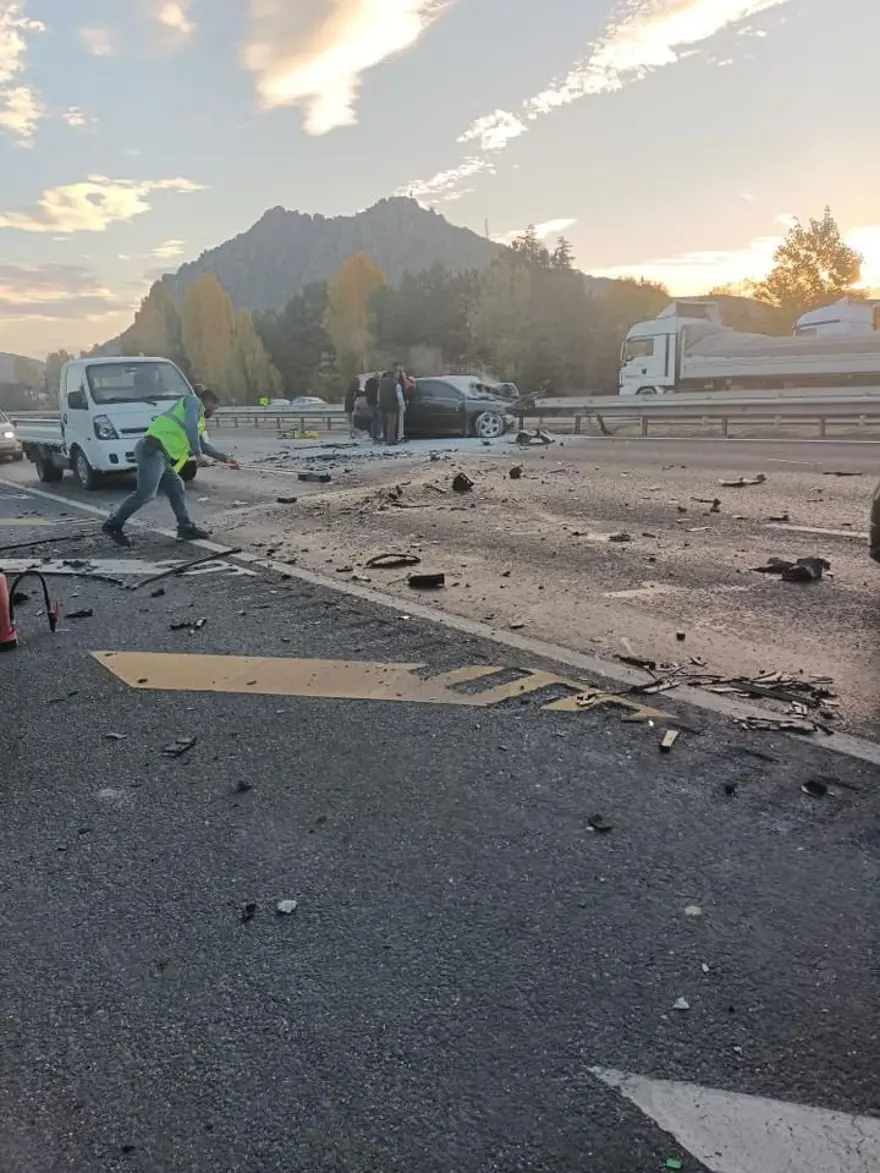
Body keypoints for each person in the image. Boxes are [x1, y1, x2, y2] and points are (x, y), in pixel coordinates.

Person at [102, 385, 239, 548]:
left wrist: (226, 458)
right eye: (214, 407)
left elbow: (203, 444)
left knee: (176, 486)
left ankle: (185, 527)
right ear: (208, 401)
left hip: (162, 455)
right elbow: (190, 429)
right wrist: (198, 455)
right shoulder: (193, 402)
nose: (214, 411)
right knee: (145, 494)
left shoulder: (197, 420)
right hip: (152, 450)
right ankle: (113, 525)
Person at [378, 370, 399, 445]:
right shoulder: (394, 384)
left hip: (383, 406)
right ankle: (391, 440)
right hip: (392, 406)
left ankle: (386, 438)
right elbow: (399, 396)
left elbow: (378, 395)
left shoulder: (381, 384)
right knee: (391, 424)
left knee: (385, 424)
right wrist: (401, 405)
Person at [364, 372, 381, 442]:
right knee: (376, 420)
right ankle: (375, 436)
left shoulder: (368, 383)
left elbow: (366, 393)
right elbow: (376, 394)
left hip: (369, 403)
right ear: (376, 378)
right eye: (378, 377)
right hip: (375, 403)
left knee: (372, 420)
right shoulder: (376, 384)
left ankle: (373, 435)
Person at [344, 375, 360, 439]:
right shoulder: (355, 390)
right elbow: (355, 399)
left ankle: (351, 434)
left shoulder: (349, 390)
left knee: (350, 422)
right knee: (353, 422)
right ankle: (353, 434)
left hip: (348, 407)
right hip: (353, 407)